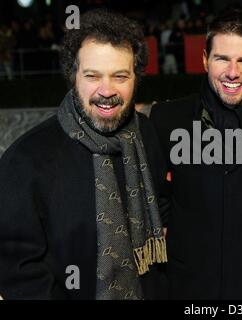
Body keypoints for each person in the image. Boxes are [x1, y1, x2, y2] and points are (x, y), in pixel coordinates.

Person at [0, 10, 168, 300]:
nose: (107, 90)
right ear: (73, 76)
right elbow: (15, 266)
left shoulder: (148, 136)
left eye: (120, 76)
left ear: (135, 78)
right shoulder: (27, 158)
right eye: (92, 76)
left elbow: (163, 207)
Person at [150, 9, 242, 299]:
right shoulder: (167, 119)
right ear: (205, 59)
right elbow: (154, 194)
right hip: (189, 289)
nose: (233, 72)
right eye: (222, 59)